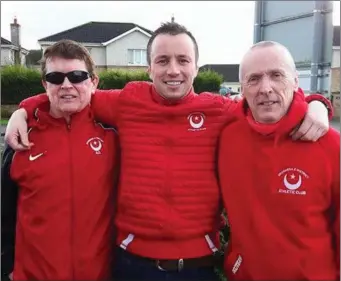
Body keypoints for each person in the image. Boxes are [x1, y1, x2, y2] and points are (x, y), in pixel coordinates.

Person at [5, 23, 333, 281]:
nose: (173, 70)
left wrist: (316, 103)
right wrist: (26, 107)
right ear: (149, 68)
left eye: (182, 60)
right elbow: (73, 95)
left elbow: (268, 99)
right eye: (162, 61)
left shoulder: (219, 109)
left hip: (197, 267)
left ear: (196, 66)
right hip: (131, 264)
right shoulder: (126, 101)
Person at [218, 41, 340, 281]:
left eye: (276, 75)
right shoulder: (226, 134)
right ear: (242, 88)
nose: (266, 88)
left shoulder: (329, 145)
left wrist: (318, 103)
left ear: (296, 82)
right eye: (254, 79)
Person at [1, 40, 120, 280]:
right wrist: (6, 267)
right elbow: (5, 211)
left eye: (77, 76)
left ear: (93, 82)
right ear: (45, 84)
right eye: (56, 78)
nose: (67, 85)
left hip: (98, 274)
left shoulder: (113, 135)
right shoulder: (21, 139)